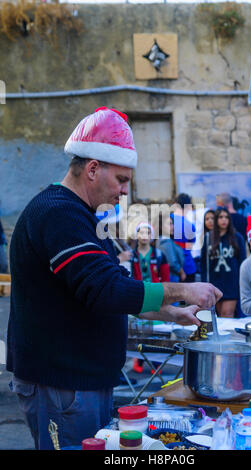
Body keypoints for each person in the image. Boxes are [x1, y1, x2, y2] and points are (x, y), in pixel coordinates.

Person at [6, 106, 223, 450]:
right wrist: (184, 290)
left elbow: (113, 287)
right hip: (64, 385)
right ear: (92, 169)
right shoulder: (59, 214)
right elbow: (105, 290)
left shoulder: (83, 216)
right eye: (121, 180)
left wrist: (169, 312)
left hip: (78, 384)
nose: (124, 191)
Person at [131, 222, 170, 374]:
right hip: (138, 296)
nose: (144, 236)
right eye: (141, 232)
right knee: (139, 330)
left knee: (157, 331)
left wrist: (166, 298)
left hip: (155, 297)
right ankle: (138, 359)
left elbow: (166, 280)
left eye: (148, 233)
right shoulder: (132, 255)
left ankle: (156, 362)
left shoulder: (160, 255)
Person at [200, 207, 246, 318]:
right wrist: (204, 285)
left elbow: (242, 261)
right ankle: (220, 336)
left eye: (226, 217)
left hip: (232, 283)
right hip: (214, 283)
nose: (224, 220)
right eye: (220, 217)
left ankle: (228, 336)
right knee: (218, 316)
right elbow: (203, 264)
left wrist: (242, 284)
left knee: (227, 314)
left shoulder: (237, 237)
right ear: (216, 219)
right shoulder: (208, 238)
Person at [172, 193, 197, 283]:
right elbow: (191, 245)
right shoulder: (190, 226)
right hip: (188, 266)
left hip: (170, 268)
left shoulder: (166, 222)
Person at [157, 213, 185, 283]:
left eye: (172, 224)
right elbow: (172, 263)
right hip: (172, 276)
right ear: (161, 226)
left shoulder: (161, 240)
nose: (173, 226)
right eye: (169, 224)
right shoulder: (166, 242)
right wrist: (181, 272)